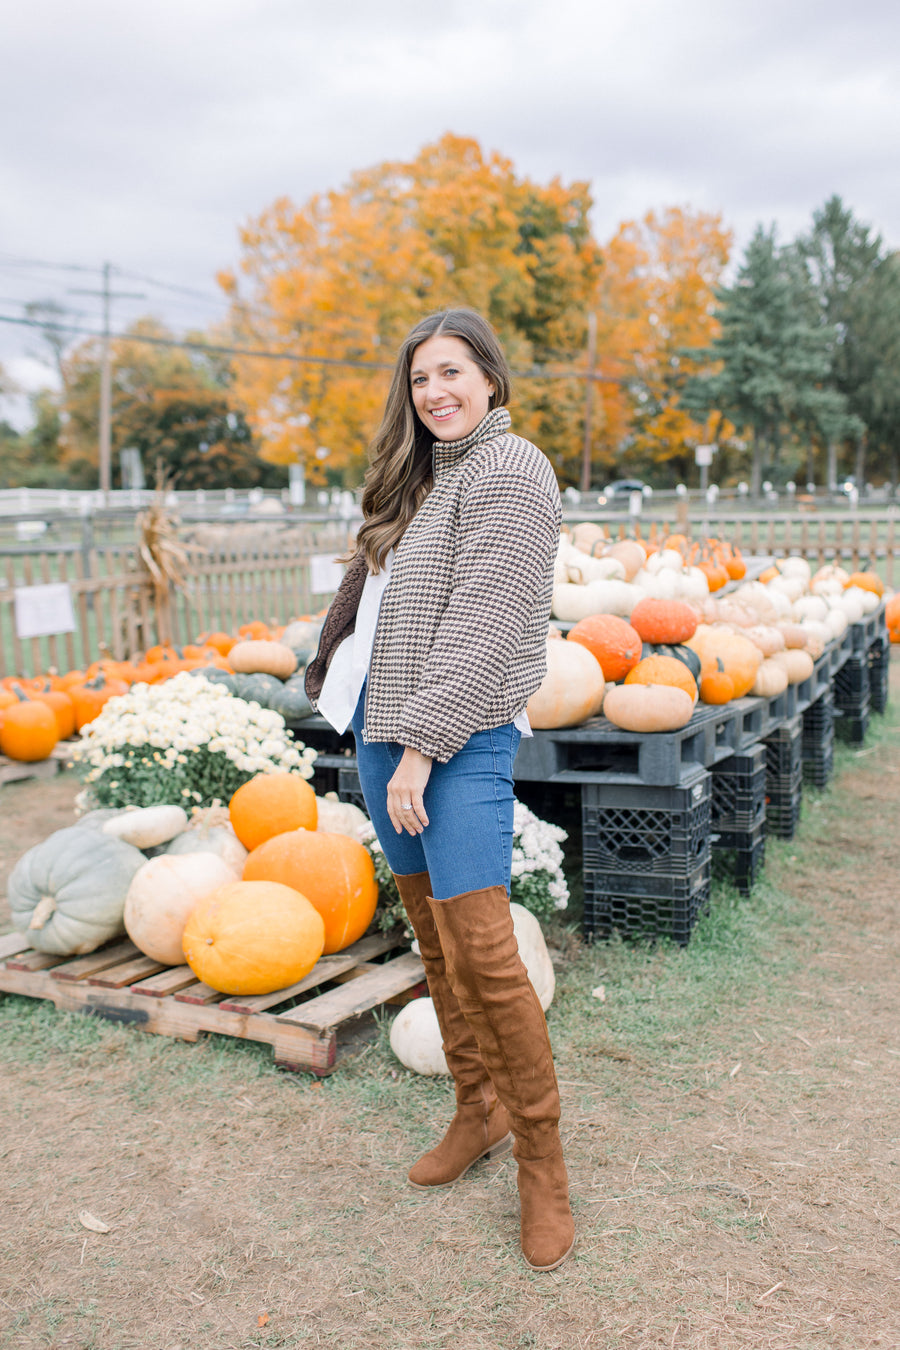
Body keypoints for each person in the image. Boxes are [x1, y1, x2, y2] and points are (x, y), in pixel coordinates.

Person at [305, 308, 573, 1272]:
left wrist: (423, 750)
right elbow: (383, 601)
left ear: (491, 379)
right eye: (421, 380)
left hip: (453, 739)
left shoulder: (513, 468)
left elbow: (487, 620)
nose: (437, 393)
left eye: (453, 373)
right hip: (383, 728)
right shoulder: (423, 474)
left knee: (486, 950)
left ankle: (542, 1162)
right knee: (431, 937)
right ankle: (478, 1109)